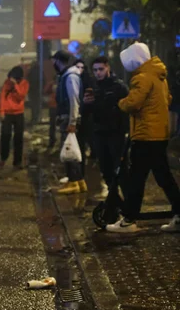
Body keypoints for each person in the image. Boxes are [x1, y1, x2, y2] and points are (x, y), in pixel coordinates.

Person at [106, 42, 180, 233]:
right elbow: (167, 99)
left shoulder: (143, 77)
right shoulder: (158, 76)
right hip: (159, 134)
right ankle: (179, 215)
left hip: (146, 135)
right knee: (164, 177)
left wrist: (120, 103)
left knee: (136, 179)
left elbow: (133, 103)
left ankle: (129, 220)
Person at [83, 56, 129, 199]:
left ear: (108, 67)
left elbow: (127, 110)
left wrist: (126, 132)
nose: (98, 73)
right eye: (95, 70)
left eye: (101, 69)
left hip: (116, 133)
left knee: (121, 170)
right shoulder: (93, 87)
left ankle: (129, 203)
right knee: (105, 169)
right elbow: (87, 114)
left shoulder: (119, 86)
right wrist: (86, 104)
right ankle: (114, 200)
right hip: (99, 133)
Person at [52, 51, 87, 194]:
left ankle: (73, 182)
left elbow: (74, 101)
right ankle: (79, 181)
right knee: (72, 149)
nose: (54, 64)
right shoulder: (68, 76)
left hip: (69, 119)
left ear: (60, 61)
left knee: (69, 151)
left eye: (55, 61)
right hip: (67, 118)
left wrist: (72, 122)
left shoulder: (70, 77)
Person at [0, 65, 29, 169]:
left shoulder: (24, 83)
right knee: (5, 136)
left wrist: (15, 85)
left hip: (19, 113)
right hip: (7, 113)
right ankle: (3, 157)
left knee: (18, 138)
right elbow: (2, 97)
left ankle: (17, 162)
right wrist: (2, 112)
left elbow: (21, 96)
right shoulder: (6, 83)